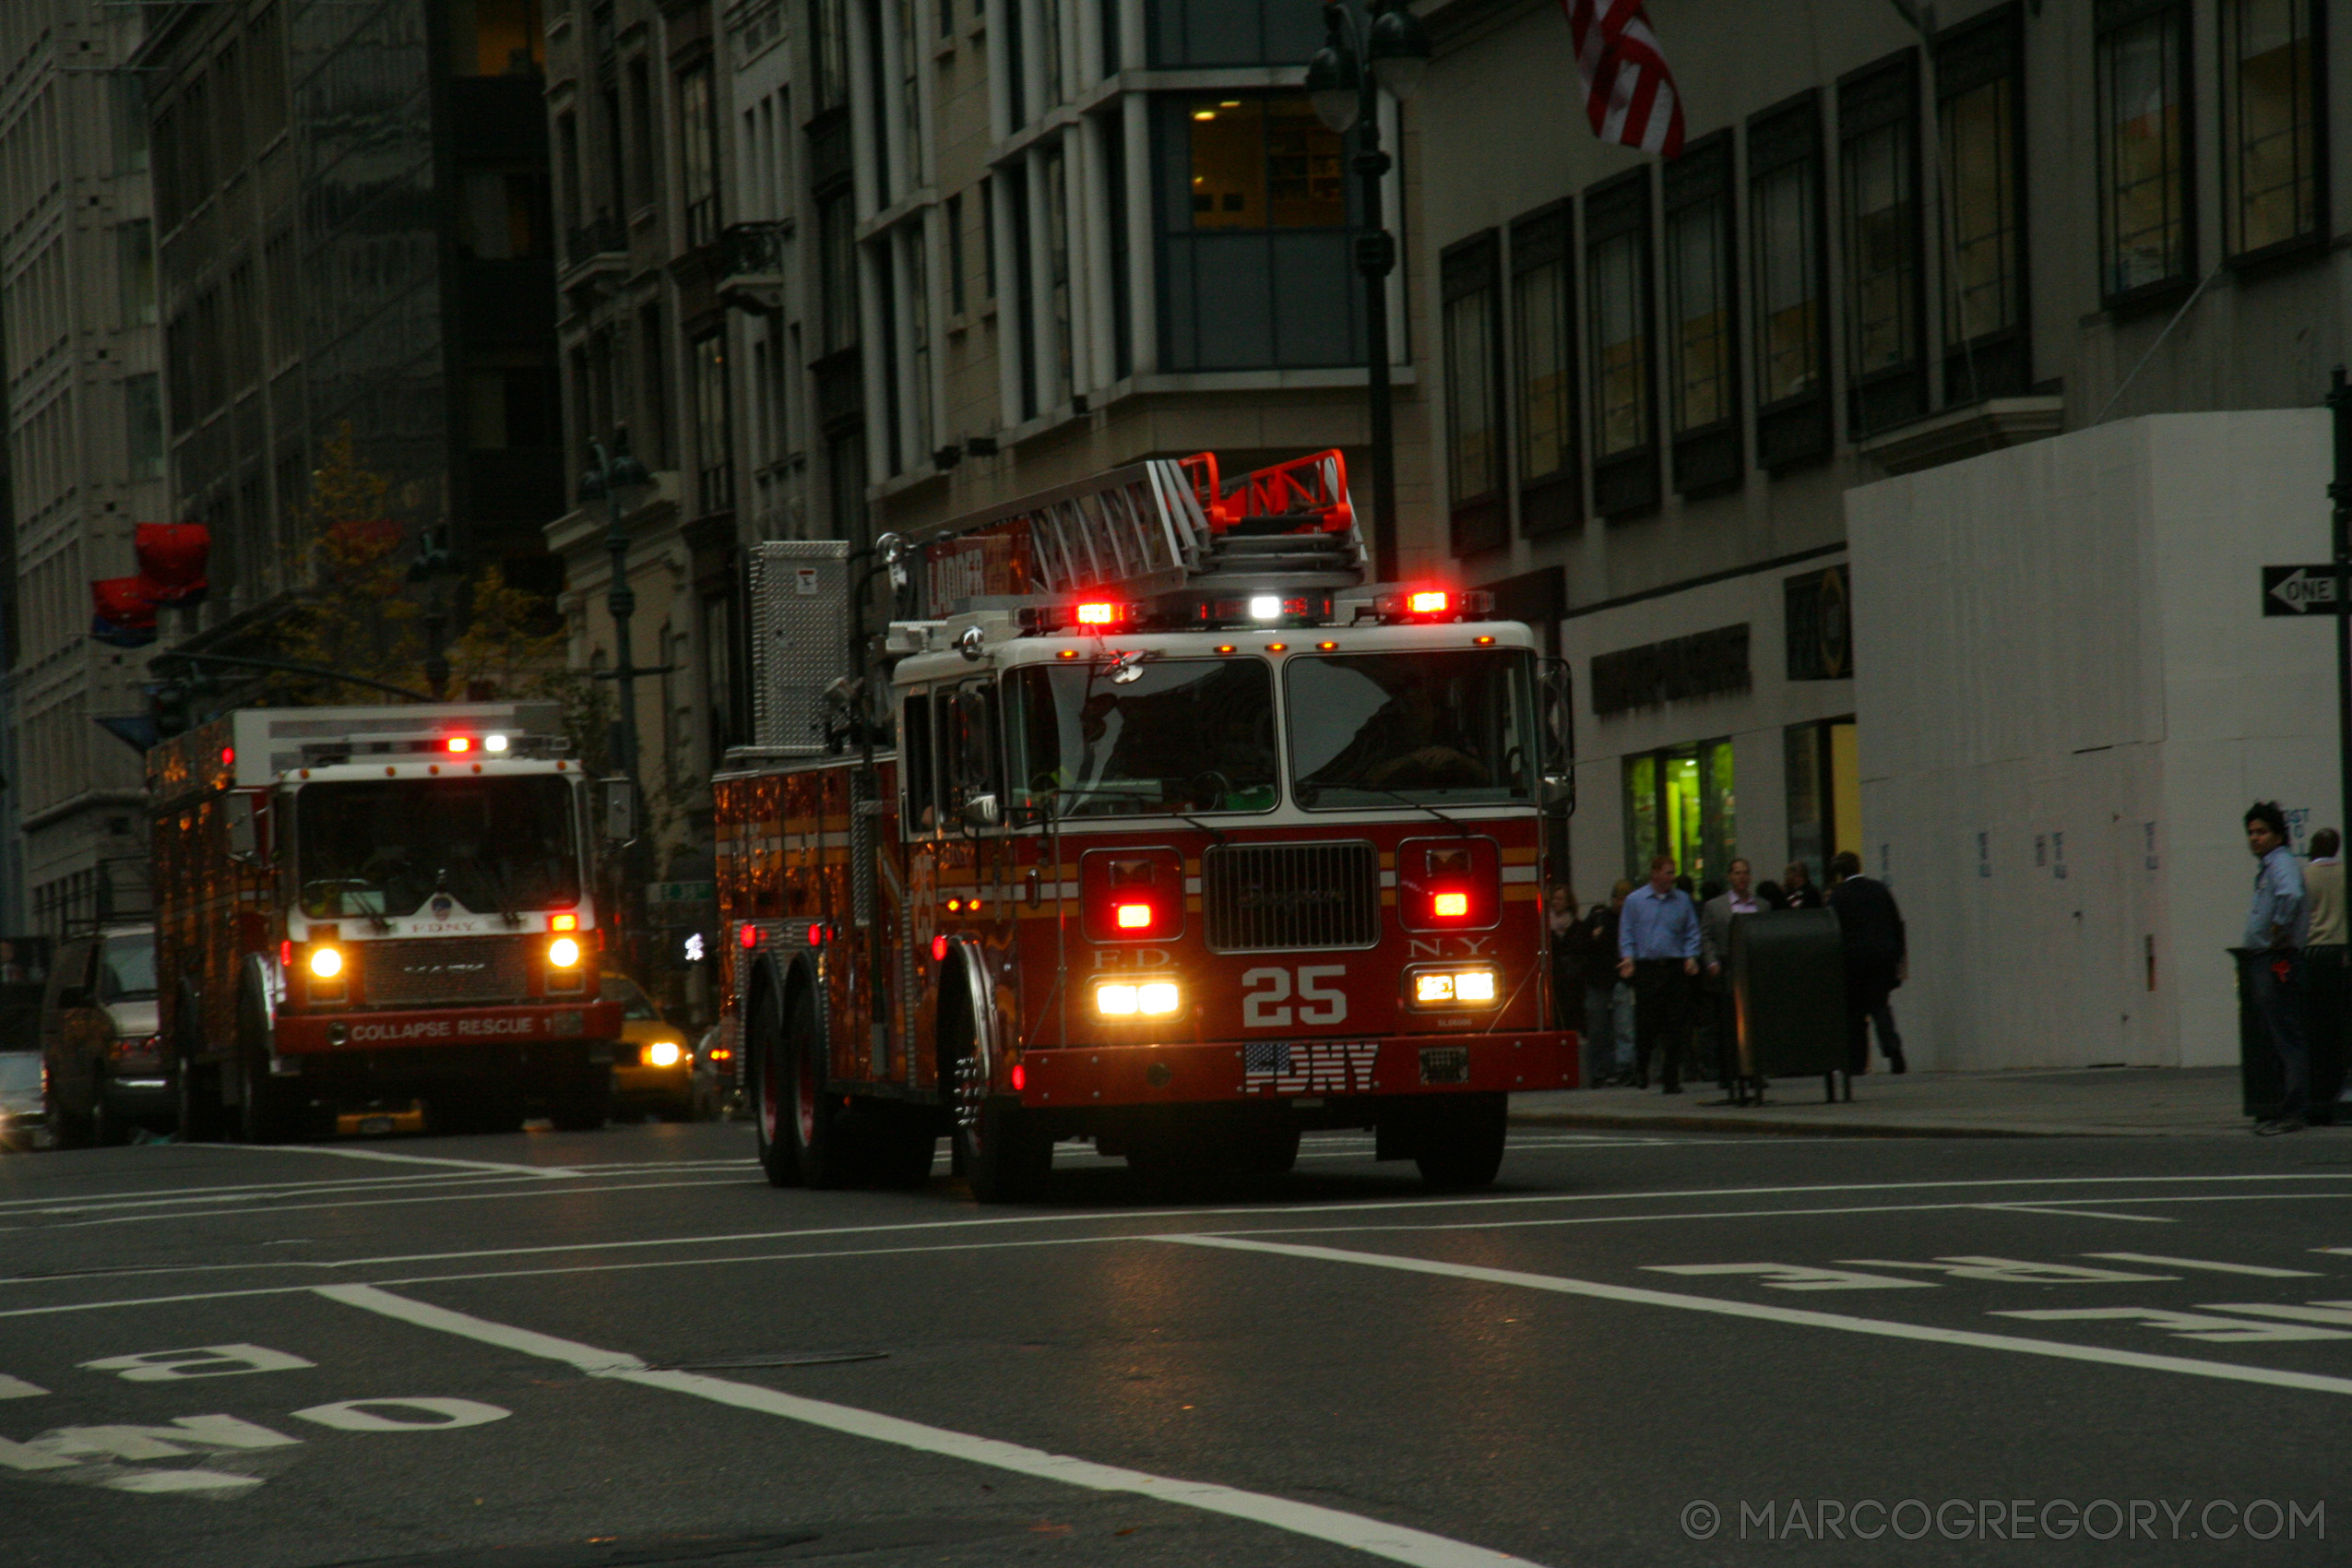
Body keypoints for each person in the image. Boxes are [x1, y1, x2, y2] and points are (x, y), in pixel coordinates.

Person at [2242, 802, 2310, 1135]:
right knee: (2280, 1033)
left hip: (2275, 959)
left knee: (2285, 1035)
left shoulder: (2281, 863)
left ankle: (2293, 1110)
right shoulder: (2271, 865)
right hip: (2267, 957)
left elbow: (2292, 895)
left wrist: (2278, 930)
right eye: (2251, 833)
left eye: (2261, 832)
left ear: (2278, 834)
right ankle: (2286, 1106)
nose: (2254, 838)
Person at [1618, 855, 1701, 1093]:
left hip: (1674, 966)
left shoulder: (1682, 900)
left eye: (1673, 872)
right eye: (1667, 872)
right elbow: (1627, 932)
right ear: (1654, 874)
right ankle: (1642, 1067)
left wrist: (1690, 956)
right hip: (1648, 967)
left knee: (1675, 1024)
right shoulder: (1635, 901)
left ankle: (1671, 1078)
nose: (1671, 878)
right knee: (1647, 1023)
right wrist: (1628, 958)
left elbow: (1691, 931)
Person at [1827, 849, 1907, 1075]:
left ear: (1840, 873)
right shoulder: (1879, 889)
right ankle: (1893, 1049)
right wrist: (1898, 955)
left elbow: (1833, 930)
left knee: (1855, 1012)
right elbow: (1895, 922)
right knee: (1880, 1005)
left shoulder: (1839, 896)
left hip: (1854, 960)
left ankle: (1857, 1062)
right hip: (1883, 957)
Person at [1702, 859, 1763, 1094]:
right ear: (1729, 876)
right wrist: (1712, 962)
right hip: (1728, 969)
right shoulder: (1716, 907)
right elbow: (1706, 936)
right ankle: (1730, 1073)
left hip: (1753, 968)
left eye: (1746, 873)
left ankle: (1754, 1071)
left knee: (1754, 1024)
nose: (1742, 877)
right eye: (1737, 873)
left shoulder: (1761, 905)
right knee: (1728, 1026)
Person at [1582, 882, 1635, 1085]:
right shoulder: (1603, 919)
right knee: (1610, 1028)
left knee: (1617, 1027)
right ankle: (1614, 1069)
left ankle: (1612, 1069)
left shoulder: (1602, 919)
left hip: (1609, 978)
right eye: (1620, 899)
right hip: (1608, 978)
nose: (1622, 904)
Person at [1545, 883, 1588, 1038]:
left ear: (1568, 902)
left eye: (1561, 899)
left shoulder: (1578, 927)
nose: (1557, 902)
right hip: (1554, 982)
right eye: (1555, 898)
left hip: (1573, 983)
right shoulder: (1545, 927)